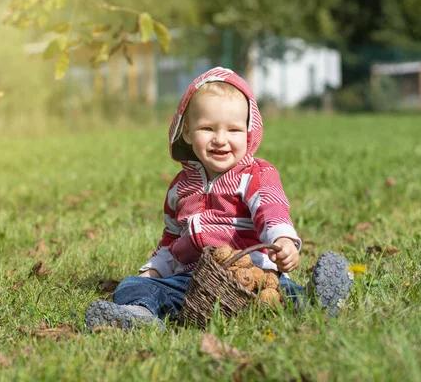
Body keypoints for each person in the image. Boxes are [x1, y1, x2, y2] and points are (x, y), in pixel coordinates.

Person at [85, 67, 353, 331]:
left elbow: (271, 209)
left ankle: (316, 301)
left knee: (283, 292)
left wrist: (283, 240)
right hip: (194, 282)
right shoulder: (180, 188)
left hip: (256, 277)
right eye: (208, 128)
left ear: (248, 133)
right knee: (133, 286)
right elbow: (171, 239)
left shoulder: (256, 175)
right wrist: (152, 271)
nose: (220, 140)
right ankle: (139, 314)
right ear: (187, 132)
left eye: (233, 130)